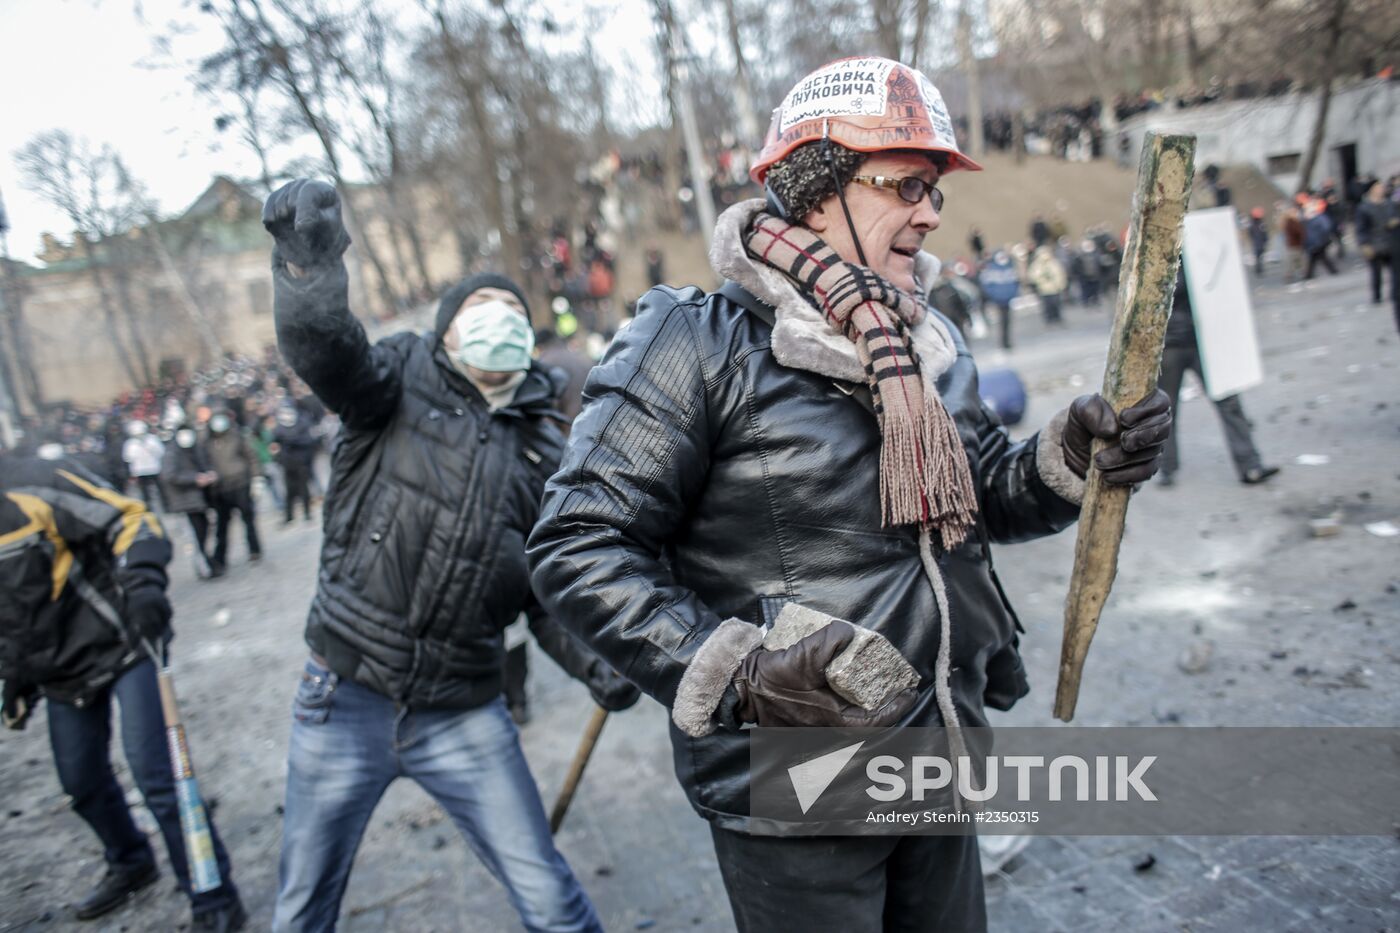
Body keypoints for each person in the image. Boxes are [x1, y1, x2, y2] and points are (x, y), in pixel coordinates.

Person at [528, 57, 1171, 933]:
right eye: (907, 184)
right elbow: (577, 545)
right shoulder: (692, 341)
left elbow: (978, 496)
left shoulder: (929, 341)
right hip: (795, 783)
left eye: (935, 188)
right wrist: (737, 672)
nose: (932, 211)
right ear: (818, 185)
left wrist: (1071, 454)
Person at [260, 179, 638, 933]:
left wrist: (607, 665)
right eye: (478, 313)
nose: (497, 325)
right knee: (302, 907)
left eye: (511, 315)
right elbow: (326, 349)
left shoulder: (546, 450)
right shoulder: (393, 380)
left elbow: (547, 594)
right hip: (346, 696)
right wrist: (310, 265)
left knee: (551, 897)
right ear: (446, 334)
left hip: (464, 707)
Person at [1, 452, 245, 930]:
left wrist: (144, 582)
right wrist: (15, 675)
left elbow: (132, 516)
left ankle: (213, 895)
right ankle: (131, 860)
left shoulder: (32, 483)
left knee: (158, 775)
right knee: (81, 783)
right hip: (60, 675)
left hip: (123, 645)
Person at [1158, 267, 1278, 487]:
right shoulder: (1161, 256)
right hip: (1172, 344)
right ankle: (1167, 467)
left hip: (1200, 341)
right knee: (1167, 410)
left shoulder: (1198, 247)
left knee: (1227, 401)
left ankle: (1250, 464)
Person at [203, 411, 262, 574]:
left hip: (240, 483)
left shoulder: (237, 437)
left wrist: (257, 478)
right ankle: (220, 558)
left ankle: (254, 550)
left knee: (248, 519)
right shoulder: (207, 443)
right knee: (222, 525)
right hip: (221, 488)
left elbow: (252, 457)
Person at [161, 423, 219, 578]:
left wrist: (209, 474)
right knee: (194, 536)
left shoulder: (195, 448)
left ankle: (206, 561)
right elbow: (169, 475)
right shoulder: (171, 453)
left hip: (199, 500)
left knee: (204, 531)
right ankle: (204, 569)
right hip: (184, 502)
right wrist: (194, 479)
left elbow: (204, 463)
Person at [271, 405, 318, 524]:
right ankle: (289, 516)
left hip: (301, 462)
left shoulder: (302, 424)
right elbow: (274, 445)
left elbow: (309, 441)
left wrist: (292, 441)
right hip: (287, 463)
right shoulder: (279, 429)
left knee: (304, 490)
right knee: (289, 491)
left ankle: (307, 513)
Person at [1355, 180, 1397, 306]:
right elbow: (1361, 228)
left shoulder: (1390, 204)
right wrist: (1364, 245)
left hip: (1391, 242)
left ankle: (1395, 293)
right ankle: (1377, 296)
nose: (1381, 189)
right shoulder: (1364, 208)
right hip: (1374, 244)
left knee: (1395, 272)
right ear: (1371, 189)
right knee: (1376, 273)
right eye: (1377, 187)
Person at [979, 248, 1020, 350]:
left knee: (1007, 320)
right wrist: (994, 296)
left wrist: (1013, 294)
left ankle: (1007, 340)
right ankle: (1004, 341)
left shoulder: (1009, 268)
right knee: (1002, 321)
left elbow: (1015, 282)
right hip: (999, 299)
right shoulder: (991, 269)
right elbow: (987, 285)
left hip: (1007, 298)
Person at [121, 420, 165, 511]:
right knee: (144, 491)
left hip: (154, 468)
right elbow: (127, 458)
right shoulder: (130, 444)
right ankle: (148, 506)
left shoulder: (152, 439)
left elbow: (160, 452)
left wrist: (150, 448)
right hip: (140, 470)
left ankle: (165, 504)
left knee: (160, 488)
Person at [1028, 240, 1068, 324]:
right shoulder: (1037, 265)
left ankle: (1057, 318)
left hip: (1055, 288)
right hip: (1044, 288)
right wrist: (1041, 281)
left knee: (1056, 304)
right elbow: (1034, 276)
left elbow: (1060, 273)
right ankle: (1049, 319)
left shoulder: (1054, 263)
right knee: (1047, 306)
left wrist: (1060, 284)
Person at [1303, 198, 1339, 279]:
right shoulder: (1311, 219)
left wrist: (1321, 235)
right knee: (1318, 258)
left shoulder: (1318, 218)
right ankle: (1309, 274)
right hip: (1316, 241)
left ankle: (1308, 275)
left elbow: (1326, 227)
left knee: (1318, 257)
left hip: (1318, 241)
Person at [1246, 207, 1269, 277]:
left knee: (1260, 257)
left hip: (1260, 242)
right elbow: (1251, 233)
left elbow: (1264, 232)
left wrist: (1265, 239)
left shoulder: (1260, 223)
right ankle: (1259, 270)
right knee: (1258, 257)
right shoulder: (1254, 223)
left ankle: (1259, 270)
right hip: (1257, 242)